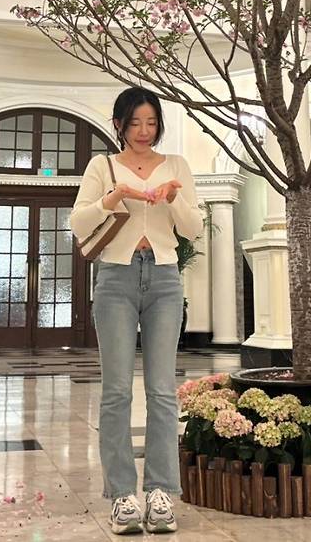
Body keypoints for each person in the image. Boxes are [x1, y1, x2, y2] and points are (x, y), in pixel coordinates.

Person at [70, 86, 203, 535]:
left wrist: (173, 197)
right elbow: (78, 222)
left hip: (164, 278)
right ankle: (123, 495)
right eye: (134, 123)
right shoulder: (101, 166)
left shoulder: (177, 166)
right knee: (116, 392)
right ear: (119, 124)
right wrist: (114, 196)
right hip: (116, 279)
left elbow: (193, 229)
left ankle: (161, 492)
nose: (144, 131)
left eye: (151, 122)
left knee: (163, 392)